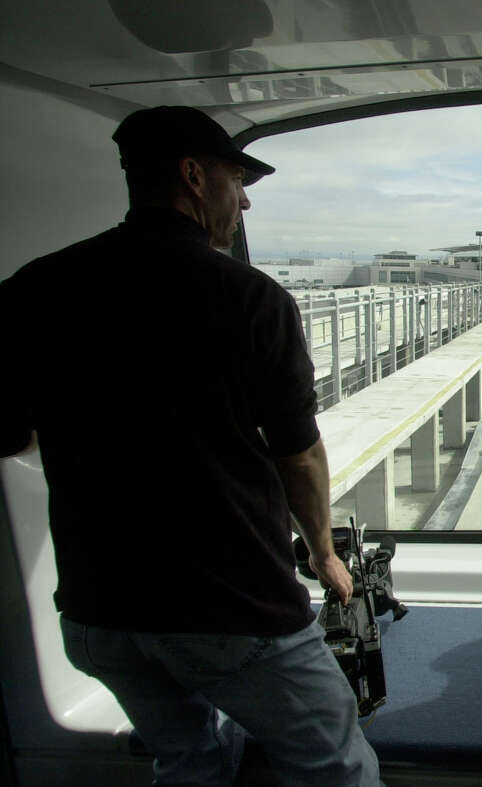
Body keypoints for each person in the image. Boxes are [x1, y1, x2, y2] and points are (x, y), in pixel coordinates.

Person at [0, 106, 381, 786]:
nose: (245, 198)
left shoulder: (34, 287)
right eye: (237, 179)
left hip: (100, 614)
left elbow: (9, 432)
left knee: (188, 760)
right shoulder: (251, 297)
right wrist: (322, 552)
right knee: (335, 767)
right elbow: (298, 454)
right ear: (193, 175)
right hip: (229, 608)